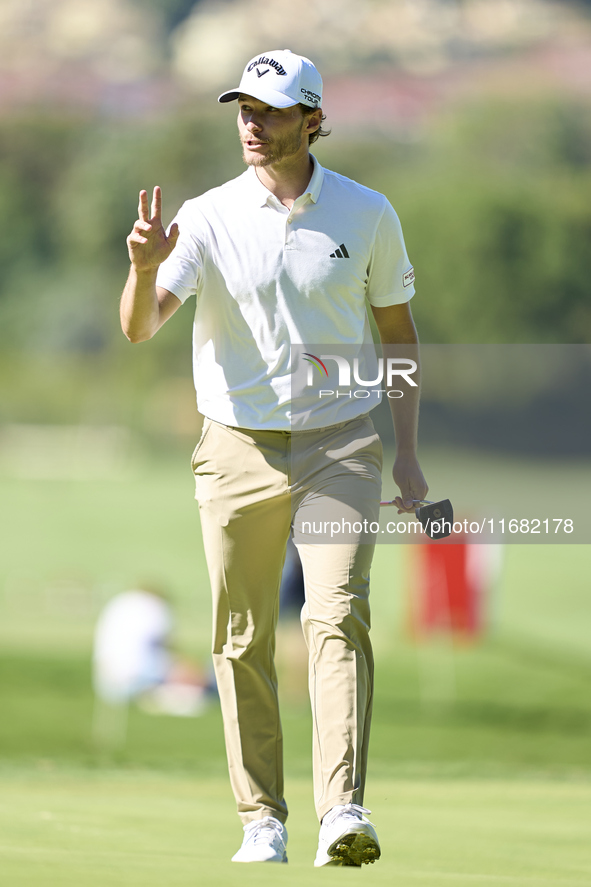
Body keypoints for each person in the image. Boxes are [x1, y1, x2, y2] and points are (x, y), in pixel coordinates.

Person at [120, 49, 428, 867]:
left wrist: (406, 455)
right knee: (242, 635)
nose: (251, 124)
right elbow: (140, 324)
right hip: (235, 444)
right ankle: (262, 816)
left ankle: (343, 808)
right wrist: (143, 267)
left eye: (270, 110)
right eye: (243, 109)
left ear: (312, 118)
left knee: (334, 613)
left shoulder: (366, 213)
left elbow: (398, 337)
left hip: (342, 440)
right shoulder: (210, 212)